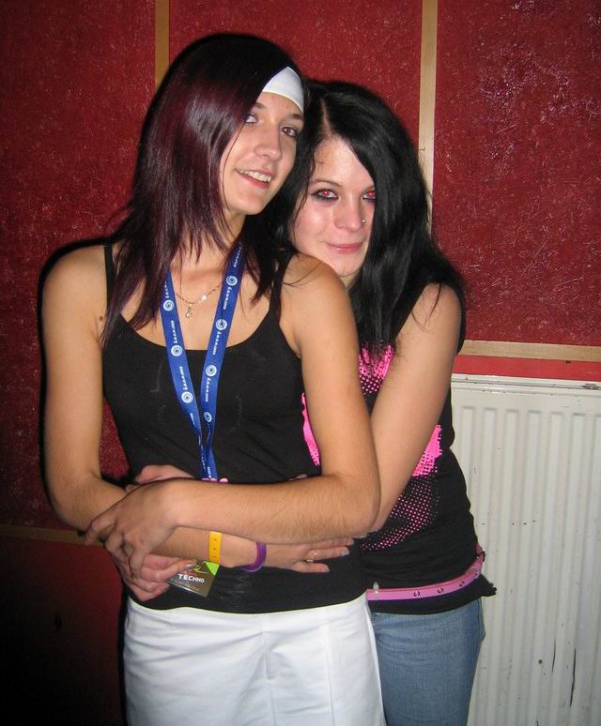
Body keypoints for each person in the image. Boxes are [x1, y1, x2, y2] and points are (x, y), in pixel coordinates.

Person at [42, 36, 385, 726]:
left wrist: (172, 506)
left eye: (289, 130)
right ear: (190, 119)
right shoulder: (83, 283)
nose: (273, 150)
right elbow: (72, 489)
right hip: (178, 610)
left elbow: (354, 500)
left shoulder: (306, 286)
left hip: (314, 618)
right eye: (250, 117)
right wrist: (242, 549)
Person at [274, 79, 496, 726]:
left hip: (412, 599)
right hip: (291, 585)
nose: (353, 221)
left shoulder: (425, 302)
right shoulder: (255, 300)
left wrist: (186, 524)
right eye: (326, 194)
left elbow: (364, 506)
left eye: (371, 196)